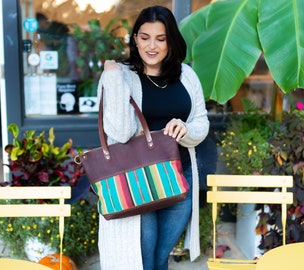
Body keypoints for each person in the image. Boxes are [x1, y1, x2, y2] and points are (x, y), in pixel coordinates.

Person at [96, 6, 210, 270]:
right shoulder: (119, 76)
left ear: (170, 41)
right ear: (135, 38)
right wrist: (112, 78)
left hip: (180, 177)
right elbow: (121, 132)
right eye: (145, 37)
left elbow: (201, 122)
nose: (152, 46)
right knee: (142, 259)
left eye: (161, 38)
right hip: (135, 180)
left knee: (160, 258)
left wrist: (186, 129)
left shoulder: (186, 75)